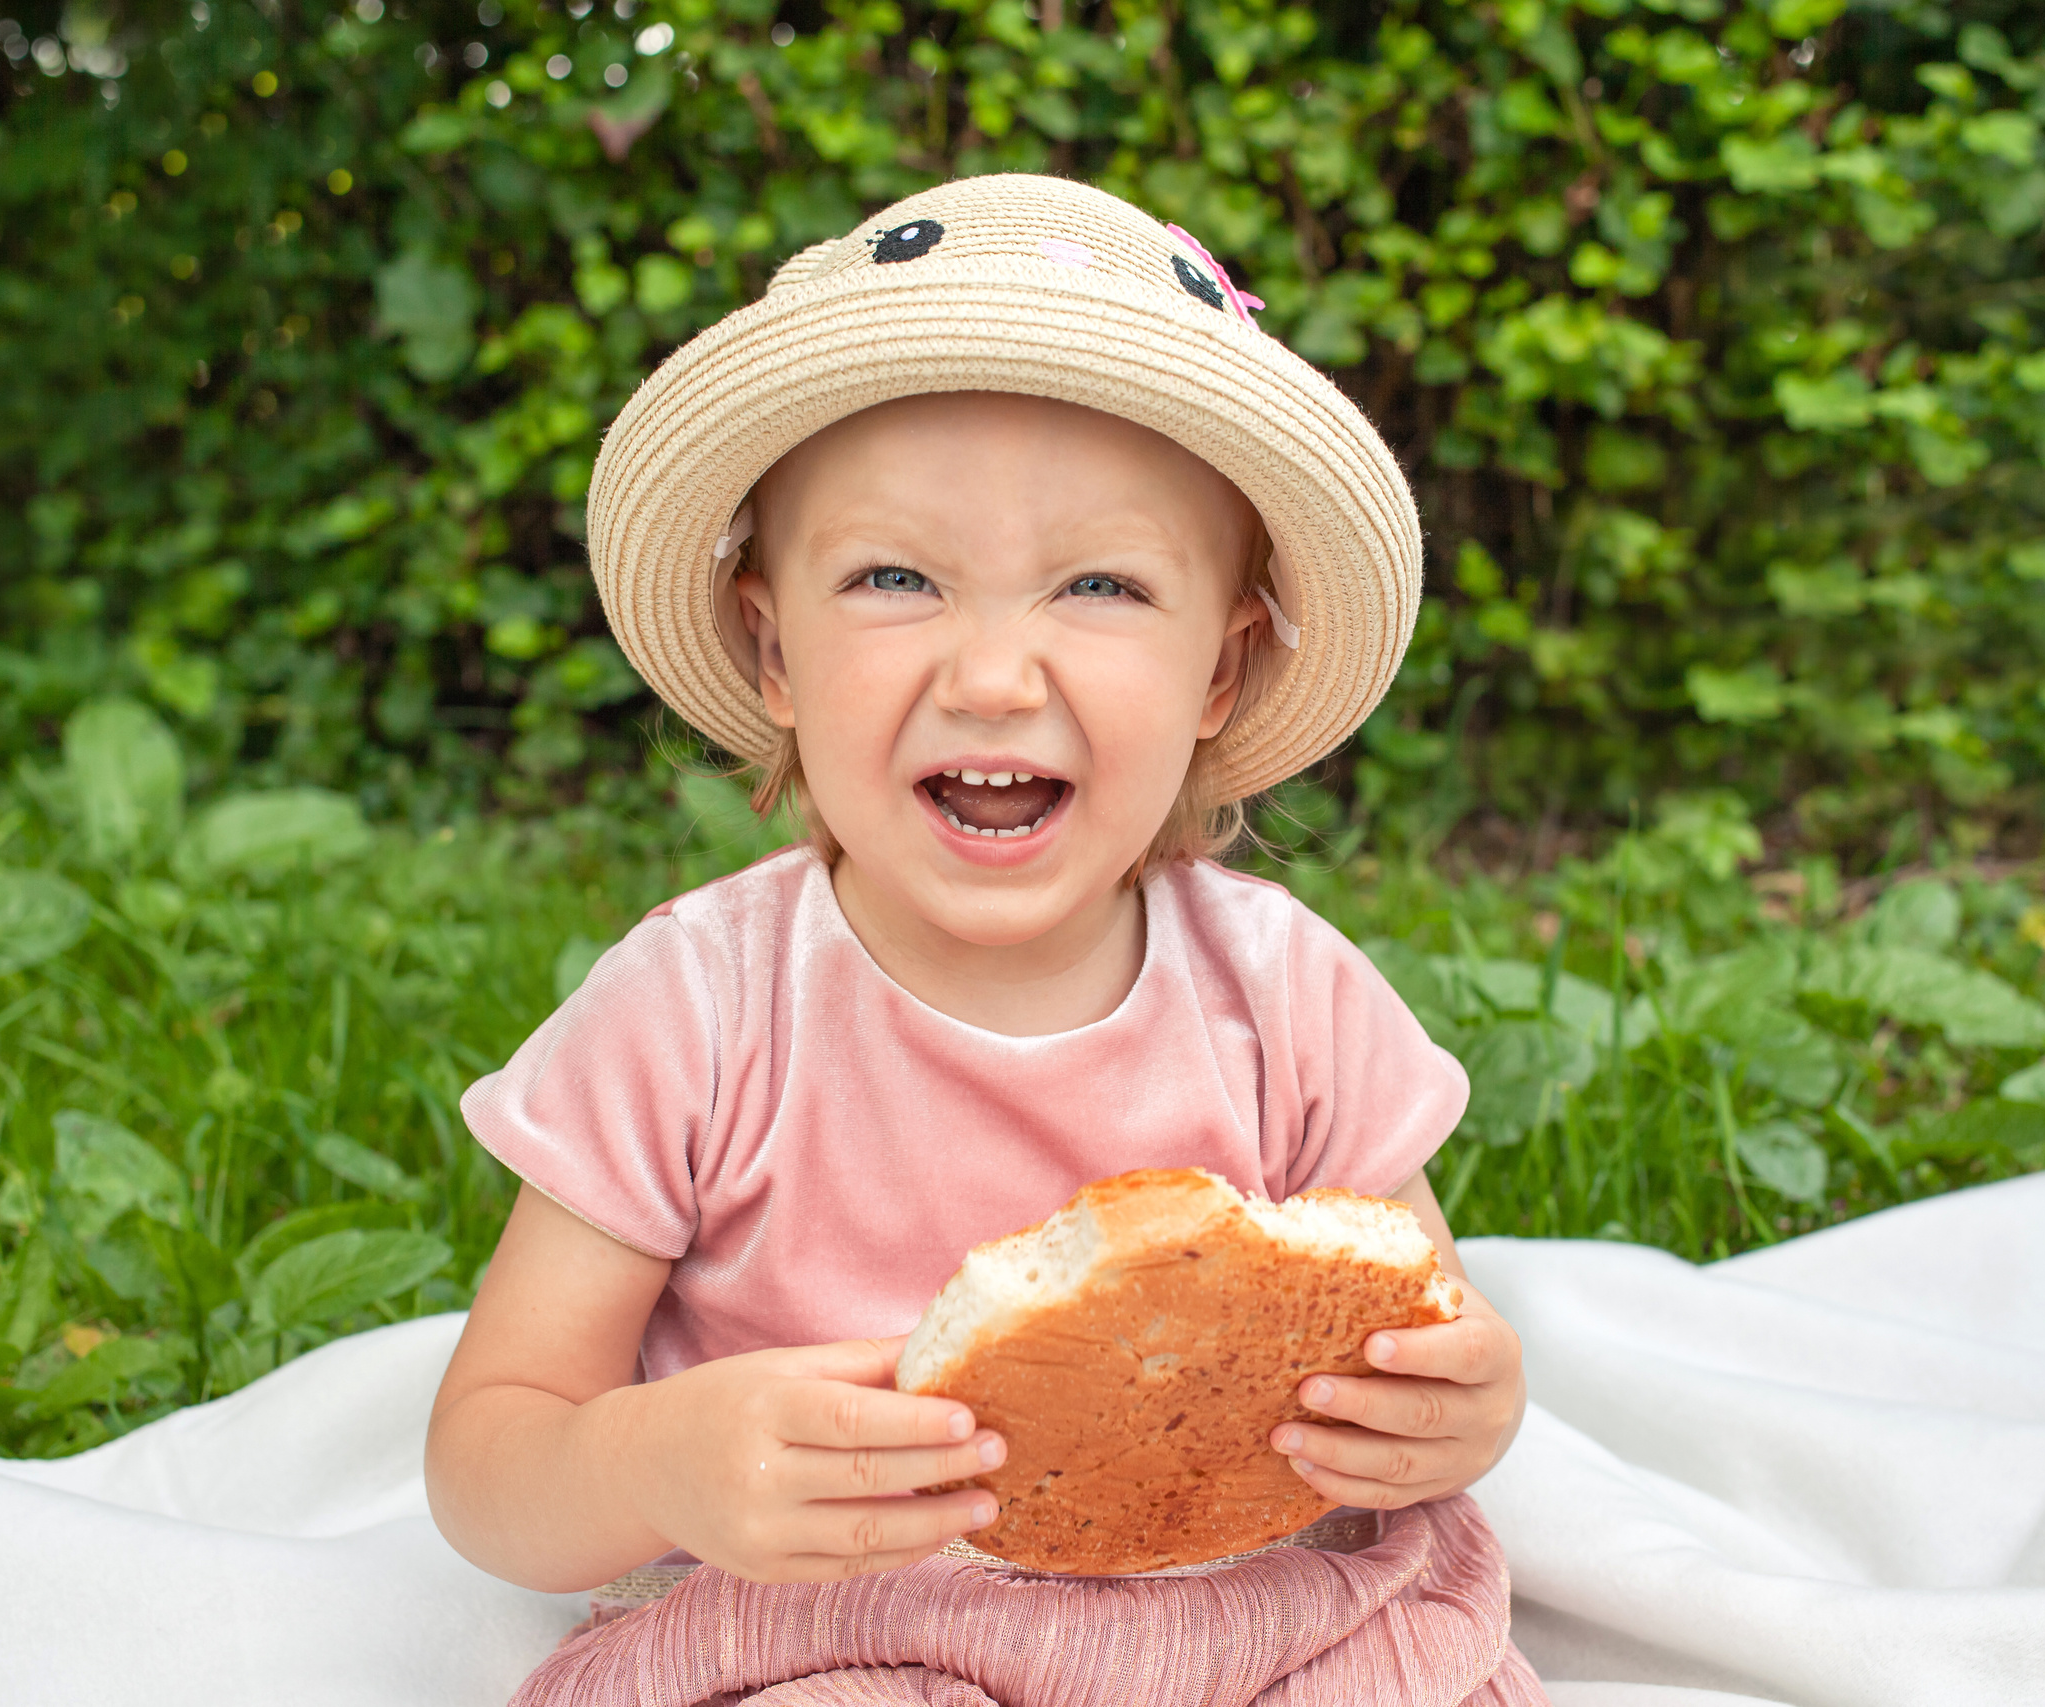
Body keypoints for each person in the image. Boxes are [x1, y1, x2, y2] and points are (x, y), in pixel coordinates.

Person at [424, 174, 1541, 1706]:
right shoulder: (700, 1009)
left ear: (1221, 673)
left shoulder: (1285, 996)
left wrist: (1461, 1408)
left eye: (1101, 584)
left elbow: (1427, 1323)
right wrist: (656, 1462)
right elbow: (493, 1453)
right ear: (772, 650)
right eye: (896, 578)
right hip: (835, 1625)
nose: (998, 675)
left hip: (1241, 1603)